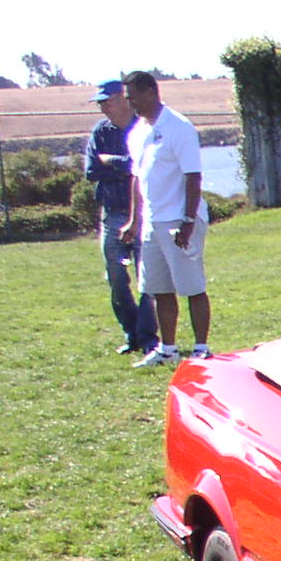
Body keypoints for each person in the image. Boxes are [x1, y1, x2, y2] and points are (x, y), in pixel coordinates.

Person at [121, 70, 212, 368]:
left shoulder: (178, 127)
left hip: (178, 219)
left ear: (150, 91)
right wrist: (135, 221)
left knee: (192, 285)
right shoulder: (137, 132)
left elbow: (192, 175)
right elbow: (137, 179)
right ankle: (168, 349)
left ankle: (201, 347)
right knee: (159, 288)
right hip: (152, 221)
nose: (129, 102)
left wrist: (187, 220)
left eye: (132, 95)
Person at [84, 80, 156, 356]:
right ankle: (131, 333)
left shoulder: (144, 128)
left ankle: (148, 337)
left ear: (124, 99)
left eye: (108, 101)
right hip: (112, 214)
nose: (104, 107)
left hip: (143, 213)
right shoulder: (100, 132)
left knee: (147, 278)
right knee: (116, 277)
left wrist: (112, 162)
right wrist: (126, 165)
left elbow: (145, 168)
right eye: (100, 103)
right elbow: (92, 170)